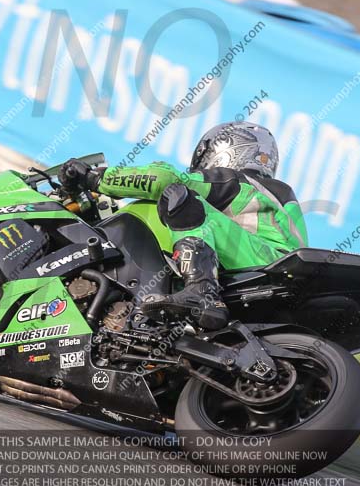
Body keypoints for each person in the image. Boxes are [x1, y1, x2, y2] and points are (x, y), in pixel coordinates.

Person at [59, 121, 308, 331]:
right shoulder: (266, 199)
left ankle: (201, 290)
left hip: (267, 264)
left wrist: (93, 178)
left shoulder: (240, 183)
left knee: (177, 195)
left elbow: (164, 179)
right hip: (270, 273)